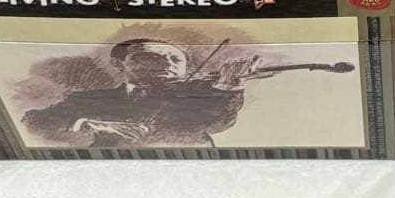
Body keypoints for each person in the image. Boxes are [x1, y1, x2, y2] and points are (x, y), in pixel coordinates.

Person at [22, 38, 261, 148]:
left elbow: (218, 123)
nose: (166, 64)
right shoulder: (87, 99)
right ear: (118, 64)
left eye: (176, 59)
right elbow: (32, 121)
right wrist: (91, 123)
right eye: (149, 57)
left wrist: (230, 85)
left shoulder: (199, 96)